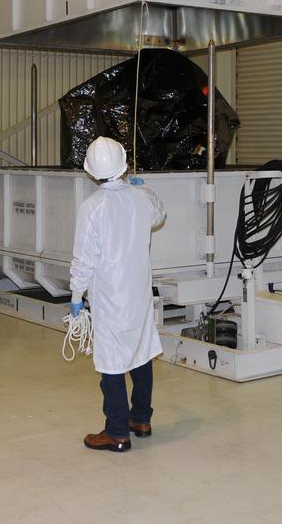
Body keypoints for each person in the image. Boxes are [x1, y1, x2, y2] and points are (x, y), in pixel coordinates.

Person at [69, 136, 166, 453]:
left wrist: (75, 295)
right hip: (138, 292)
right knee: (141, 352)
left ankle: (116, 432)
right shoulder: (139, 197)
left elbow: (84, 258)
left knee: (111, 363)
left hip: (110, 296)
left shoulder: (92, 207)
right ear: (124, 164)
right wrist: (145, 189)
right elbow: (158, 215)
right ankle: (141, 420)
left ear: (92, 172)